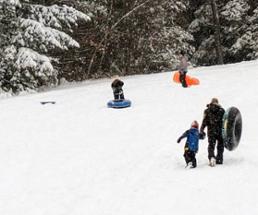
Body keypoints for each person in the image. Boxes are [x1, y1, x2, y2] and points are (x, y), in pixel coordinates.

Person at [200, 98, 225, 167]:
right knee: (220, 145)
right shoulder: (222, 110)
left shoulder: (207, 111)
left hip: (211, 131)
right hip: (220, 131)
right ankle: (219, 159)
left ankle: (211, 157)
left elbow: (204, 122)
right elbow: (226, 122)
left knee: (211, 145)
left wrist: (201, 130)